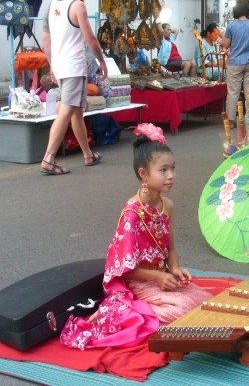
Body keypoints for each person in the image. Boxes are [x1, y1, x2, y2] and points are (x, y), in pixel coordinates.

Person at [60, 123, 213, 349]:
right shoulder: (132, 213)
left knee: (205, 302)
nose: (171, 176)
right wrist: (158, 278)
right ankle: (131, 313)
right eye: (163, 170)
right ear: (143, 173)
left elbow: (170, 249)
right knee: (184, 311)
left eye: (173, 168)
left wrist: (175, 269)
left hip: (160, 276)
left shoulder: (167, 205)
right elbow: (125, 269)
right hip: (139, 283)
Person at [40, 0, 107, 175]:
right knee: (67, 110)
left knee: (76, 111)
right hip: (73, 68)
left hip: (60, 68)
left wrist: (52, 65)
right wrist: (102, 61)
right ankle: (49, 158)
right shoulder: (77, 6)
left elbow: (45, 42)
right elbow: (91, 39)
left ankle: (88, 155)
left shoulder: (51, 6)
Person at [221, 0, 249, 123]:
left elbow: (226, 45)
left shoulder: (231, 26)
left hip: (234, 63)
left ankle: (231, 120)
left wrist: (222, 37)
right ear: (246, 10)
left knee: (233, 93)